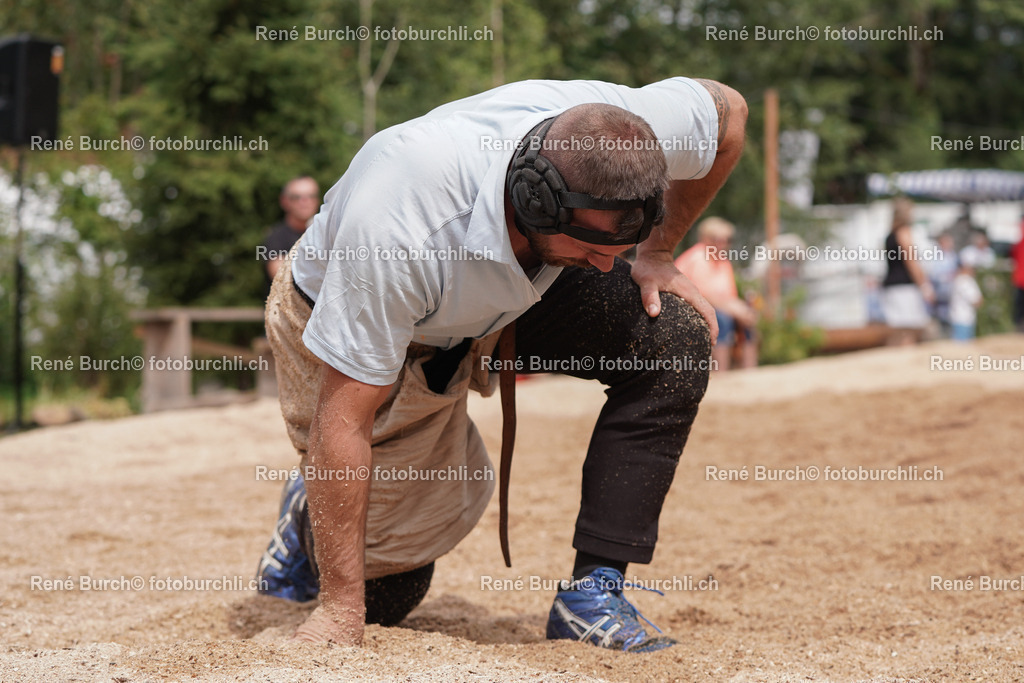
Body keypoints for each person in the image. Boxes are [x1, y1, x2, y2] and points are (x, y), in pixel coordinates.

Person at [256, 77, 746, 653]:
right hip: (364, 316)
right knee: (388, 599)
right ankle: (305, 510)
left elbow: (729, 115)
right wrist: (340, 612)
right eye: (594, 249)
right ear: (536, 200)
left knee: (675, 339)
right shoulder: (400, 224)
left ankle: (592, 592)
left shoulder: (625, 130)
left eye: (614, 249)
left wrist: (657, 251)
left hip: (510, 290)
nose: (604, 265)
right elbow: (344, 420)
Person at [674, 217, 757, 370]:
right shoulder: (698, 257)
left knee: (747, 319)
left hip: (716, 305)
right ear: (705, 238)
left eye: (727, 240)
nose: (723, 244)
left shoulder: (723, 261)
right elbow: (701, 294)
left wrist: (743, 311)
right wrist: (733, 310)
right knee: (722, 320)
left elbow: (729, 296)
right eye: (718, 239)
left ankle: (749, 372)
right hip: (687, 307)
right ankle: (720, 373)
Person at [881, 198, 934, 345]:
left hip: (891, 287)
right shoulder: (904, 232)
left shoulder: (889, 235)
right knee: (909, 331)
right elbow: (911, 261)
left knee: (897, 331)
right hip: (904, 289)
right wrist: (925, 286)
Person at [261, 176, 321, 294]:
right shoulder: (276, 237)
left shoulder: (325, 234)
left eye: (311, 196)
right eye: (297, 197)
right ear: (284, 201)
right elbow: (282, 279)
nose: (305, 202)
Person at [928, 232, 958, 335]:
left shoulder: (954, 256)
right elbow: (933, 275)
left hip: (951, 295)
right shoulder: (935, 256)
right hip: (939, 295)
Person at [948, 258, 982, 341]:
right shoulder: (965, 281)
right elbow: (976, 301)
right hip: (964, 320)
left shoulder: (959, 279)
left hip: (961, 319)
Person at [1010, 226, 1024, 332]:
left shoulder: (1019, 244)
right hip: (1020, 280)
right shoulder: (1019, 244)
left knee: (1019, 306)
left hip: (1019, 280)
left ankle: (1018, 326)